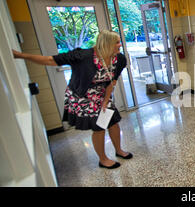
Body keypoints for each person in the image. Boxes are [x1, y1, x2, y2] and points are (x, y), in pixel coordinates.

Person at [12, 30, 131, 169]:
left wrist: (106, 101)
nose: (120, 45)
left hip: (102, 94)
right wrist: (20, 55)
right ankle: (103, 159)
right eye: (117, 42)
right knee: (99, 128)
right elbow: (50, 60)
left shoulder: (119, 59)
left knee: (113, 122)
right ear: (107, 44)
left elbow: (112, 81)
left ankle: (119, 150)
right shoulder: (82, 56)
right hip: (82, 96)